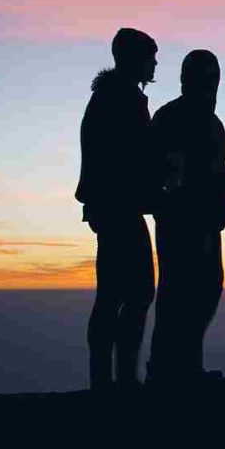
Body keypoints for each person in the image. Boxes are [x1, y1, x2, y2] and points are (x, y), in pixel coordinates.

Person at [147, 49, 225, 387]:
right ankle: (166, 372)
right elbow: (187, 173)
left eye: (212, 78)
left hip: (206, 222)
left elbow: (214, 171)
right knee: (179, 295)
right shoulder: (171, 118)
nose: (208, 84)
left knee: (202, 293)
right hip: (180, 221)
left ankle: (186, 367)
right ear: (188, 79)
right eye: (203, 77)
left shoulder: (212, 124)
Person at [75, 27, 163, 392]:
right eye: (151, 56)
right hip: (119, 207)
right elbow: (135, 157)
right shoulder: (124, 99)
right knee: (137, 291)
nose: (155, 63)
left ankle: (107, 378)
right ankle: (121, 379)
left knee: (114, 294)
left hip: (110, 206)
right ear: (133, 59)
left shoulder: (107, 97)